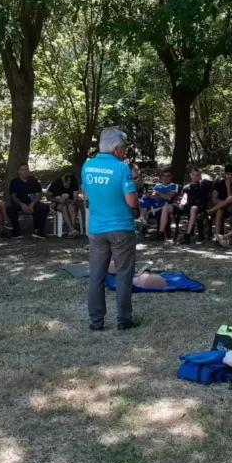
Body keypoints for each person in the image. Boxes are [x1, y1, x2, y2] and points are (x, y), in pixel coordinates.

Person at [82, 128, 139, 331]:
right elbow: (132, 202)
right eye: (124, 148)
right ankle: (124, 320)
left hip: (97, 229)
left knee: (96, 276)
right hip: (121, 228)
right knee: (123, 275)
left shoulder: (87, 166)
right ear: (116, 149)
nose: (125, 152)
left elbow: (86, 194)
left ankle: (96, 321)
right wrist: (135, 183)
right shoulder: (122, 168)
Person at [8, 163, 50, 239]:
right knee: (10, 209)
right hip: (19, 204)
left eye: (26, 169)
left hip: (32, 203)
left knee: (44, 208)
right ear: (19, 171)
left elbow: (38, 195)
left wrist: (32, 204)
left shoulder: (34, 181)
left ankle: (39, 231)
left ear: (29, 170)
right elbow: (13, 196)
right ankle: (17, 232)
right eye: (22, 170)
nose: (25, 171)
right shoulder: (14, 182)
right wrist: (22, 204)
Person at [138, 168, 180, 241]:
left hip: (164, 206)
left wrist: (159, 193)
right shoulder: (158, 185)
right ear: (161, 177)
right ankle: (141, 224)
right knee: (143, 200)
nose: (166, 178)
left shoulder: (174, 186)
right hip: (153, 205)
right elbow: (153, 196)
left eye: (168, 176)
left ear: (171, 177)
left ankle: (141, 231)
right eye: (164, 176)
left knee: (146, 210)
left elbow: (169, 198)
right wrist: (161, 195)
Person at [208, 164, 232, 236]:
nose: (230, 177)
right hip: (220, 207)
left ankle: (209, 211)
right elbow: (214, 200)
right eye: (228, 174)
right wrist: (224, 203)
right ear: (224, 174)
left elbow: (231, 199)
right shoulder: (218, 183)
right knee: (219, 210)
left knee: (230, 199)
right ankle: (218, 236)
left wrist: (228, 186)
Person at [176, 167, 212, 244]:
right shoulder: (187, 187)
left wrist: (204, 176)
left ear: (200, 176)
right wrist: (182, 203)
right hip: (188, 205)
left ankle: (187, 235)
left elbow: (213, 181)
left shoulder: (205, 184)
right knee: (179, 207)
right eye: (193, 175)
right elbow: (184, 197)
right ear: (190, 175)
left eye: (197, 175)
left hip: (200, 207)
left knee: (193, 208)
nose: (195, 177)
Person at [47, 173, 83, 237]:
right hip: (58, 203)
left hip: (69, 203)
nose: (68, 186)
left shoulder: (74, 182)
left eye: (70, 184)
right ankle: (72, 230)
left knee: (72, 208)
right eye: (66, 184)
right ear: (63, 179)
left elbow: (75, 197)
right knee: (64, 208)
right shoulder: (56, 183)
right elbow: (48, 197)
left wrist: (72, 201)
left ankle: (70, 231)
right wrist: (58, 200)